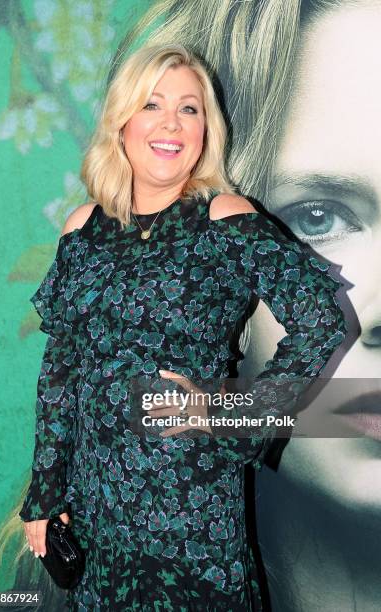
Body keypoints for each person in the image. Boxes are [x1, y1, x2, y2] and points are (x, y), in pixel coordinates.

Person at [18, 43, 347, 611]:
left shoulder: (224, 218)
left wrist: (230, 414)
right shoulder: (82, 230)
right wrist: (45, 496)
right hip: (95, 515)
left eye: (189, 109)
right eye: (152, 104)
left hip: (188, 514)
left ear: (205, 130)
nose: (171, 122)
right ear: (122, 122)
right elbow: (61, 373)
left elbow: (320, 318)